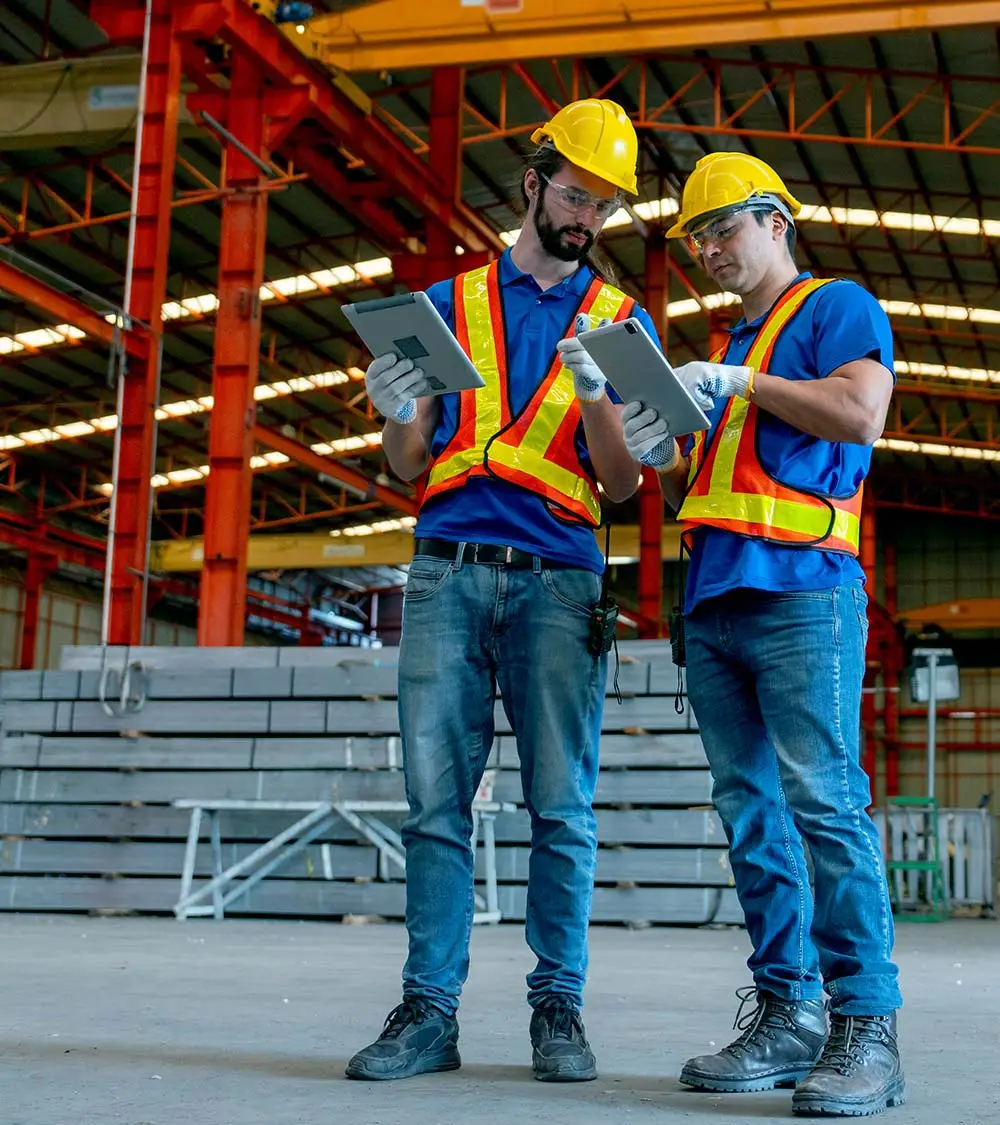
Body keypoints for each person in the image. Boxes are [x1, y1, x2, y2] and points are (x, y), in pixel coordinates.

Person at [347, 98, 659, 1084]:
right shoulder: (446, 303)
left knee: (561, 808)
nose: (586, 220)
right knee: (433, 802)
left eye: (604, 207)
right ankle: (427, 1013)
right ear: (532, 182)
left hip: (559, 585)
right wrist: (395, 406)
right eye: (575, 197)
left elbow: (621, 485)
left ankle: (555, 1011)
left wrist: (603, 399)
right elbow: (407, 459)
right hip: (445, 572)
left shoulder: (620, 322)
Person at [620, 152, 904, 1117]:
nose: (706, 249)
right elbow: (702, 483)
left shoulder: (836, 307)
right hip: (716, 599)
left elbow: (861, 413)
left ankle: (867, 1026)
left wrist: (738, 379)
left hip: (804, 595)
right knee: (753, 817)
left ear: (776, 221)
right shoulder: (719, 350)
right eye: (696, 238)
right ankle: (788, 1013)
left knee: (825, 804)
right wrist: (661, 445)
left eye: (723, 229)